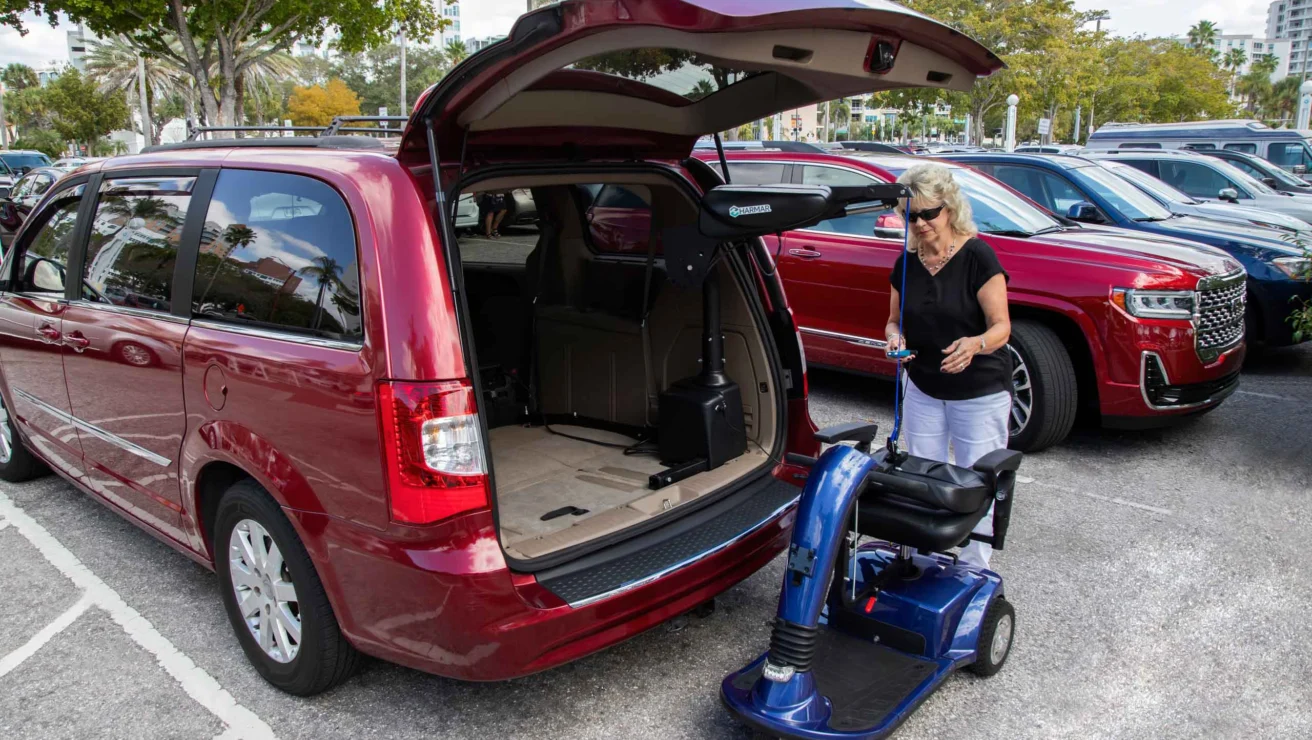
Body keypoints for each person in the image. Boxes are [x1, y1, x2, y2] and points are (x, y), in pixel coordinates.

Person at [884, 163, 1012, 568]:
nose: (920, 223)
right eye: (911, 215)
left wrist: (975, 344)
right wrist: (893, 338)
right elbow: (892, 320)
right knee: (923, 475)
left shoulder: (977, 255)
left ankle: (976, 563)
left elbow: (1002, 328)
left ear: (950, 208)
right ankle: (926, 553)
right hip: (922, 385)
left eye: (929, 213)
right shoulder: (905, 263)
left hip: (979, 389)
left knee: (977, 477)